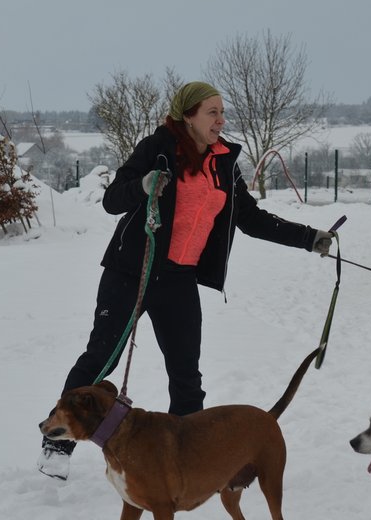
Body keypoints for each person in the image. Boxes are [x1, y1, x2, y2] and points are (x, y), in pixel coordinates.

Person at [38, 81, 335, 480]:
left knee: (186, 374)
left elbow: (249, 217)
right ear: (188, 116)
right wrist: (142, 187)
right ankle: (57, 444)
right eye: (212, 112)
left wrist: (308, 237)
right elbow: (113, 200)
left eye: (221, 112)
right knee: (99, 359)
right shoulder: (157, 149)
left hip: (178, 279)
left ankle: (188, 456)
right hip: (132, 272)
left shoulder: (223, 163)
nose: (221, 120)